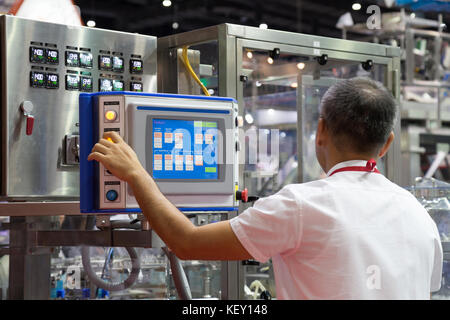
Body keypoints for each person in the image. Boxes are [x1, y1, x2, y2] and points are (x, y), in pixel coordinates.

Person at [88, 77, 443, 299]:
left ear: (320, 131)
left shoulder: (302, 205)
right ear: (386, 144)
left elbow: (187, 242)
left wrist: (136, 173)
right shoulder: (417, 213)